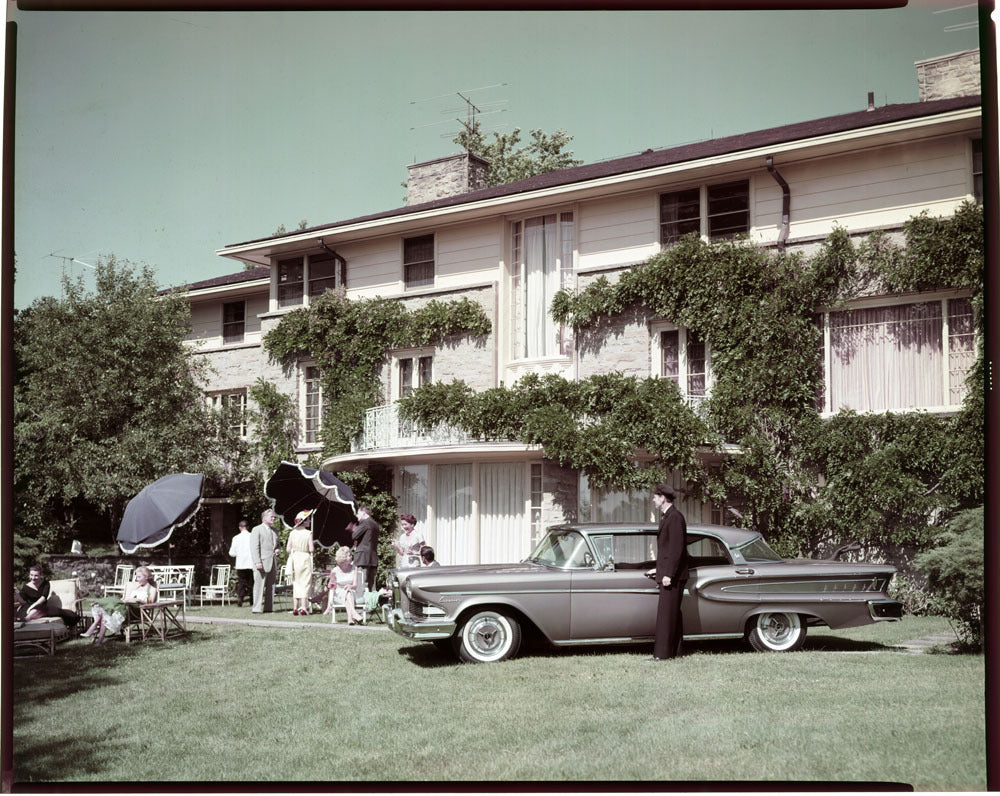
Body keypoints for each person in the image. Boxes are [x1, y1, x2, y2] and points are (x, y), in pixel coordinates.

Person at [646, 483, 689, 661]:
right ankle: (676, 651)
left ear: (663, 498)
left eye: (655, 497)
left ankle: (662, 655)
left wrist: (668, 574)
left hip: (674, 576)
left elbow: (676, 550)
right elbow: (667, 551)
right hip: (670, 573)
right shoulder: (668, 517)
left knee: (665, 614)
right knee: (672, 614)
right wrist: (659, 569)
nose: (653, 500)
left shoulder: (675, 517)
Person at [82, 565, 158, 644]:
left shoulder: (152, 589)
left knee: (111, 606)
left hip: (137, 612)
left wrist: (138, 600)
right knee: (107, 611)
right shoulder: (137, 588)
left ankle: (93, 627)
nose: (137, 579)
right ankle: (99, 640)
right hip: (127, 608)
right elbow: (128, 598)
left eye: (139, 577)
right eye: (137, 577)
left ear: (146, 577)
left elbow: (150, 603)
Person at [15, 565, 81, 628]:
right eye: (31, 575)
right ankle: (27, 618)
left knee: (61, 612)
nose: (33, 578)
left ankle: (27, 618)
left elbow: (43, 598)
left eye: (36, 576)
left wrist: (32, 607)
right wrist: (17, 593)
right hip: (29, 608)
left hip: (41, 606)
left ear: (41, 575)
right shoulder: (26, 587)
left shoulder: (46, 584)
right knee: (27, 611)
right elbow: (23, 602)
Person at [318, 546, 365, 625]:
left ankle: (350, 618)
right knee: (347, 593)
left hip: (352, 591)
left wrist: (350, 586)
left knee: (348, 592)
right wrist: (331, 585)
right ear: (344, 558)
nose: (351, 556)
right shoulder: (335, 571)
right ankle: (353, 614)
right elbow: (331, 586)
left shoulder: (354, 568)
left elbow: (355, 585)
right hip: (339, 593)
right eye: (349, 555)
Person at [250, 508, 281, 614]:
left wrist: (278, 550)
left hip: (272, 562)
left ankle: (269, 608)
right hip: (261, 562)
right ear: (264, 518)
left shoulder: (275, 531)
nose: (273, 518)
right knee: (259, 586)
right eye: (271, 516)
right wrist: (257, 561)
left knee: (271, 586)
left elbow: (278, 545)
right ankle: (256, 608)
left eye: (274, 516)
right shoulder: (256, 529)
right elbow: (254, 547)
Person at [286, 509, 316, 616]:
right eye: (308, 519)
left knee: (296, 582)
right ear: (303, 521)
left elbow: (288, 549)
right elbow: (311, 549)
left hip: (295, 557)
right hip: (305, 557)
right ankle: (303, 607)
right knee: (305, 582)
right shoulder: (308, 533)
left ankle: (295, 607)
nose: (309, 521)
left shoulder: (292, 533)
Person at [352, 506, 379, 596]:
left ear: (364, 513)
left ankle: (362, 606)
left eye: (358, 513)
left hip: (363, 558)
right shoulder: (375, 524)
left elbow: (354, 535)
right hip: (373, 558)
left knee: (362, 582)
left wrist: (354, 529)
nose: (357, 516)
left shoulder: (365, 523)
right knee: (371, 584)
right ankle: (372, 605)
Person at [228, 519, 254, 607]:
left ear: (240, 528)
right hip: (251, 563)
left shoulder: (235, 538)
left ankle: (240, 597)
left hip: (241, 564)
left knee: (242, 582)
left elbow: (232, 553)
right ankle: (252, 598)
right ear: (248, 527)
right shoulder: (252, 536)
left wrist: (238, 554)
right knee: (251, 582)